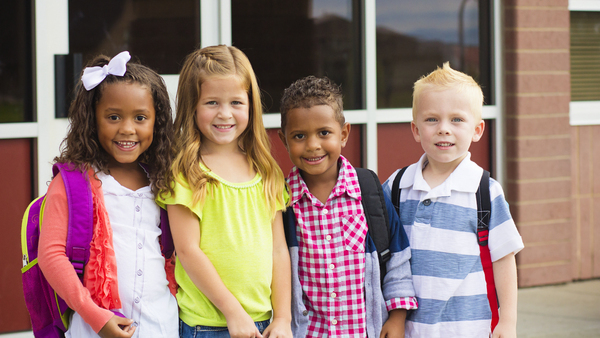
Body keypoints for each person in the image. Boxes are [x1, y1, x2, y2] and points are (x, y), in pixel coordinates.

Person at [38, 51, 178, 337]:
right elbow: (51, 255)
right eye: (113, 117)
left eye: (140, 117)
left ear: (157, 122)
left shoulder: (164, 180)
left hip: (160, 325)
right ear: (92, 119)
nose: (127, 129)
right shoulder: (73, 182)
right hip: (95, 326)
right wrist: (95, 317)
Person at [157, 45, 292, 338]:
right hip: (208, 325)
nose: (225, 114)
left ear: (250, 105)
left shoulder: (265, 170)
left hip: (265, 323)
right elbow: (188, 251)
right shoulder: (186, 172)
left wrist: (283, 317)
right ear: (192, 105)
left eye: (236, 103)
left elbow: (279, 250)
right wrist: (233, 313)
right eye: (212, 103)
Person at [382, 62, 524, 338]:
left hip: (469, 327)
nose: (443, 129)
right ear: (415, 129)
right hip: (411, 328)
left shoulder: (484, 191)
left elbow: (504, 260)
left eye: (457, 119)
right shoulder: (398, 186)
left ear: (477, 130)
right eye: (432, 119)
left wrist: (508, 321)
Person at [278, 75, 417, 338]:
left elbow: (398, 260)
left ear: (343, 134)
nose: (312, 145)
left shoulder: (368, 192)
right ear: (284, 140)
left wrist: (397, 317)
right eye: (299, 136)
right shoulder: (282, 203)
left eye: (324, 133)